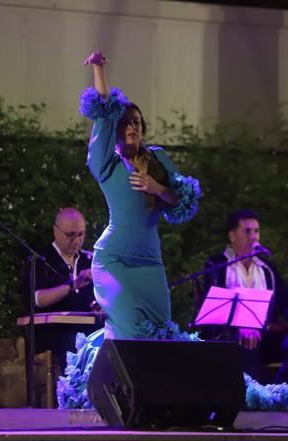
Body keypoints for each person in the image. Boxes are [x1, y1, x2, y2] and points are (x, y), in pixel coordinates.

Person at [80, 50, 201, 339]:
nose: (131, 126)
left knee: (161, 331)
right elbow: (104, 114)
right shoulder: (107, 164)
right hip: (113, 260)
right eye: (125, 123)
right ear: (117, 131)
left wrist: (156, 187)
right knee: (131, 329)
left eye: (136, 121)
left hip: (149, 260)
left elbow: (182, 202)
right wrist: (99, 70)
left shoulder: (157, 159)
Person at [202, 210, 288, 387]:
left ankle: (277, 396)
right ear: (232, 236)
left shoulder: (267, 269)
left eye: (256, 231)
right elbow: (212, 307)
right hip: (230, 337)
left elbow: (287, 301)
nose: (254, 237)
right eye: (247, 231)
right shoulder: (217, 265)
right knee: (248, 340)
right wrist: (241, 327)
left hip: (265, 337)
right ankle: (251, 402)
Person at [27, 207, 99, 371]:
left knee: (107, 338)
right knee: (73, 343)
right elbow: (37, 299)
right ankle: (73, 393)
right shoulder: (41, 259)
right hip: (53, 331)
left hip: (86, 327)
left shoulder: (90, 260)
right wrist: (72, 285)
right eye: (70, 235)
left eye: (80, 234)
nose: (76, 241)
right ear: (56, 231)